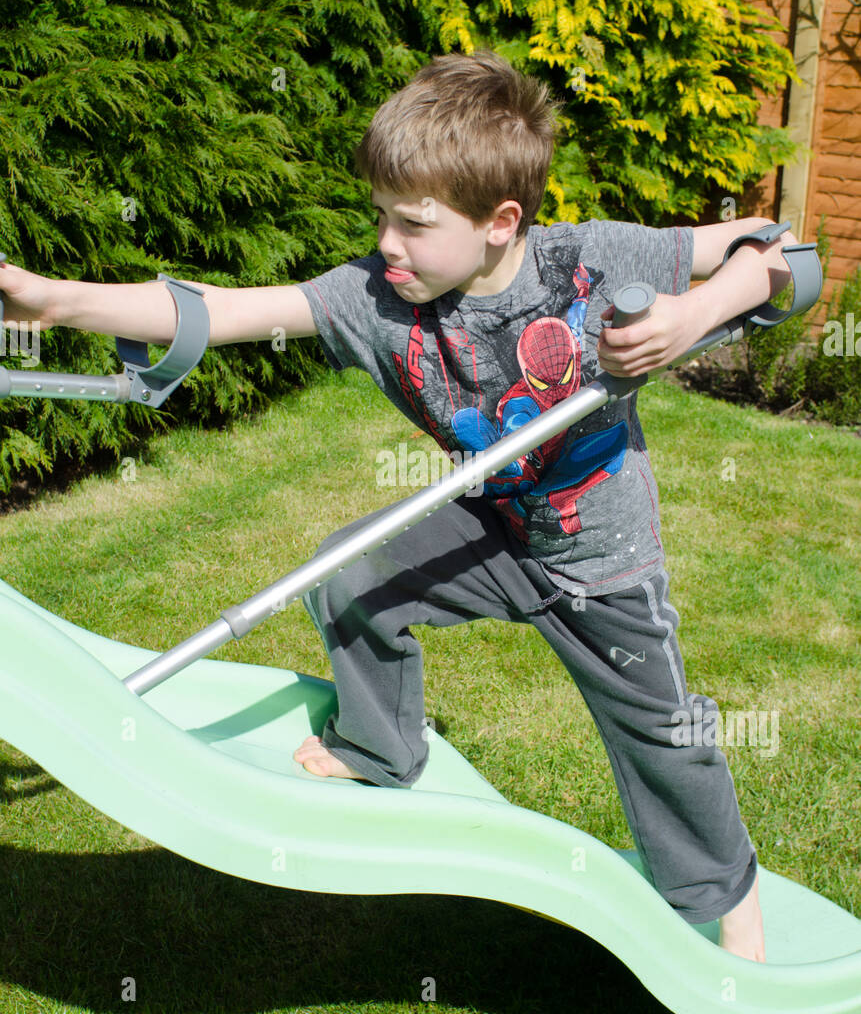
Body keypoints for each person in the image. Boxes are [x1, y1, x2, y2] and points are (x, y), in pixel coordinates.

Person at [0, 50, 797, 963]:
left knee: (660, 730)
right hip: (491, 527)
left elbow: (776, 254)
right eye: (380, 214)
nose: (387, 243)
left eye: (413, 224)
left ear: (501, 222)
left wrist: (697, 315)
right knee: (352, 573)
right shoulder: (375, 300)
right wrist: (47, 300)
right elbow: (217, 313)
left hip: (599, 561)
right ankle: (380, 748)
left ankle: (725, 902)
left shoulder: (589, 258)